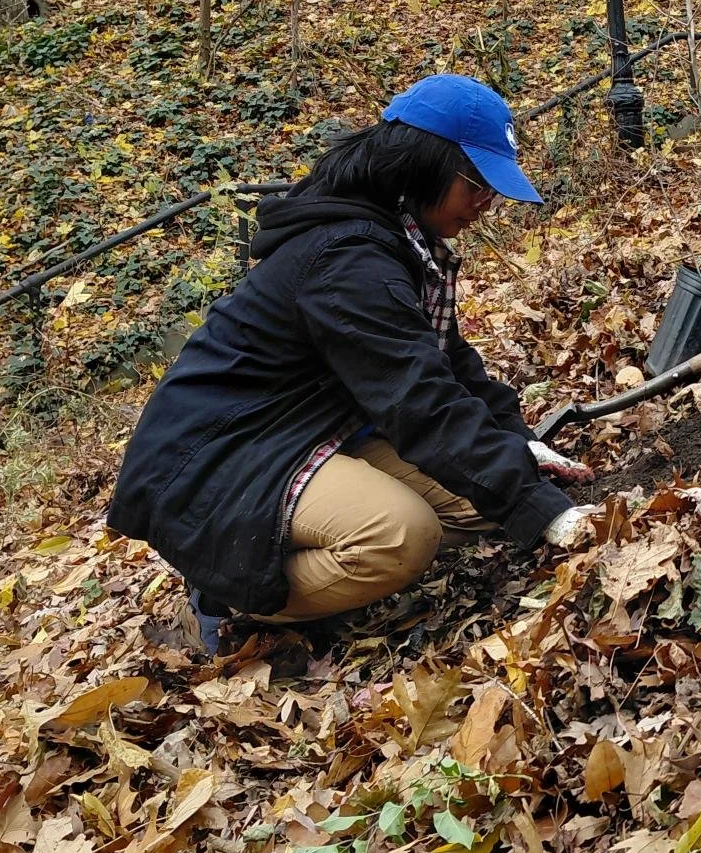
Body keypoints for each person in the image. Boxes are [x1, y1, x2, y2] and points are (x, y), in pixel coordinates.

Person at [107, 74, 598, 652]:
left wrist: (519, 444)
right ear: (425, 164)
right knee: (400, 536)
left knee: (479, 505)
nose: (485, 204)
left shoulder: (403, 241)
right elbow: (420, 402)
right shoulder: (348, 260)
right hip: (221, 457)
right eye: (476, 184)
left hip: (307, 430)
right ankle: (229, 599)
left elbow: (447, 362)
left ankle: (284, 560)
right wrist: (543, 512)